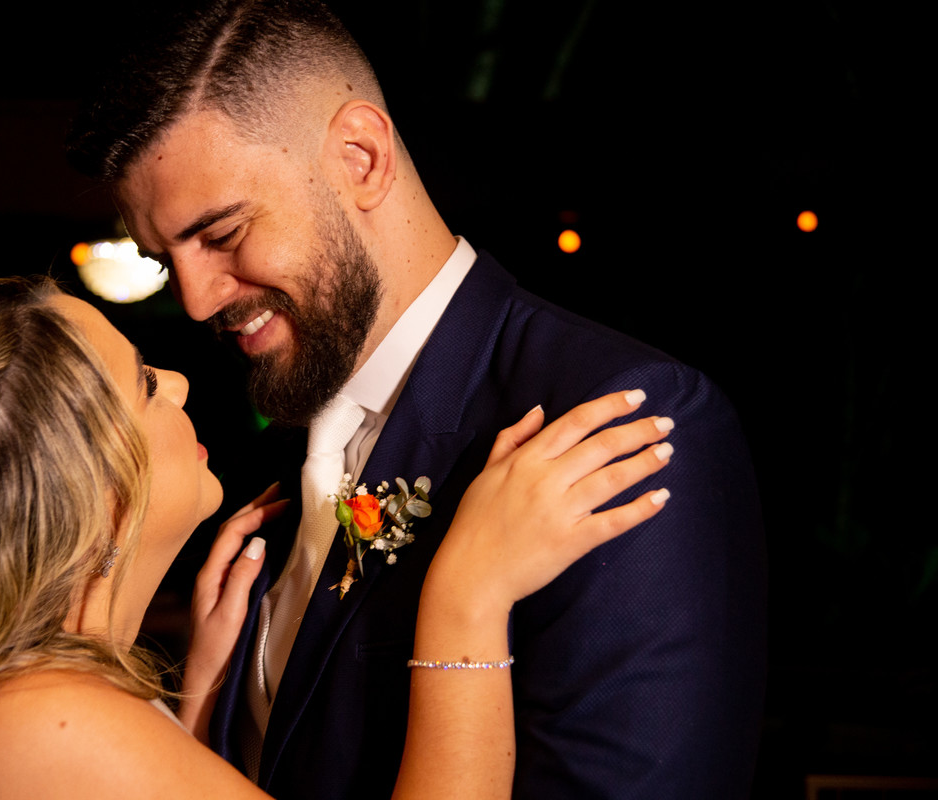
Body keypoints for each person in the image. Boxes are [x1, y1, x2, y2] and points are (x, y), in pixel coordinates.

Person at [66, 1, 766, 798]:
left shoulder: (616, 418)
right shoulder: (267, 471)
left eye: (222, 234)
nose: (195, 301)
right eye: (167, 261)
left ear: (361, 158)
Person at [0, 277, 673, 800]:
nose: (178, 381)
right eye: (143, 383)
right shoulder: (39, 720)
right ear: (88, 487)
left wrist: (192, 711)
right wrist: (468, 598)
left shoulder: (21, 711)